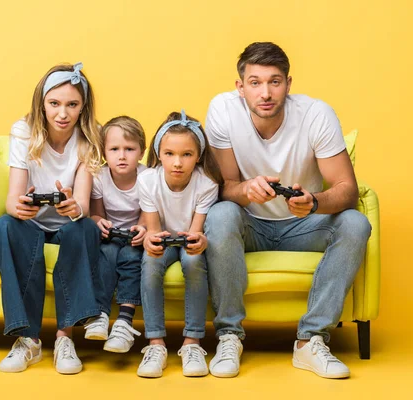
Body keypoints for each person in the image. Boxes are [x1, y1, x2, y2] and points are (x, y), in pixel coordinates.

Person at [204, 42, 372, 379]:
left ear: (289, 83)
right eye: (255, 82)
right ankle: (229, 336)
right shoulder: (222, 110)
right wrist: (246, 190)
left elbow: (347, 190)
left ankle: (311, 340)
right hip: (250, 223)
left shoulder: (315, 114)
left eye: (274, 81)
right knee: (220, 214)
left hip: (304, 225)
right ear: (240, 87)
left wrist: (314, 202)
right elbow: (224, 187)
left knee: (355, 223)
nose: (265, 93)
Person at [0, 62, 103, 374]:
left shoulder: (89, 137)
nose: (62, 114)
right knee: (4, 226)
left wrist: (72, 206)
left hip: (69, 225)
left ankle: (65, 338)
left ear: (83, 107)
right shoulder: (23, 131)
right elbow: (12, 199)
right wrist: (20, 207)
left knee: (85, 229)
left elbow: (82, 203)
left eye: (72, 105)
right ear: (42, 103)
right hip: (33, 224)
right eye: (54, 104)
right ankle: (28, 340)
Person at [136, 111, 223, 378]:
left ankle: (192, 342)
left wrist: (198, 241)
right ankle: (155, 343)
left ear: (198, 155)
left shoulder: (207, 183)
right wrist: (151, 240)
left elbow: (195, 233)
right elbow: (153, 231)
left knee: (194, 260)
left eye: (187, 154)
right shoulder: (147, 180)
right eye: (170, 153)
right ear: (158, 154)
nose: (177, 162)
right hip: (164, 237)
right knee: (150, 261)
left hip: (188, 239)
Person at [85, 116, 147, 353]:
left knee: (131, 257)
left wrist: (142, 229)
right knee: (107, 254)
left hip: (135, 236)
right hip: (111, 236)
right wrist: (99, 222)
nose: (122, 156)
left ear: (141, 152)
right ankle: (100, 314)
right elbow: (97, 213)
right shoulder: (99, 177)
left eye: (129, 149)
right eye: (114, 149)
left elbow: (148, 214)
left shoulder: (147, 177)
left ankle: (124, 320)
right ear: (104, 152)